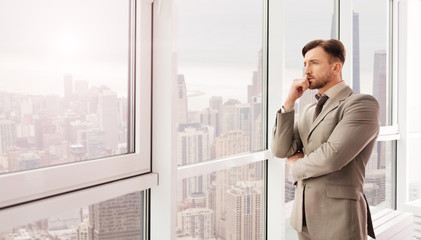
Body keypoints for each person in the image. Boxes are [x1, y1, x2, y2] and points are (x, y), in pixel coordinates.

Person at [272, 39, 379, 240]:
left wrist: (295, 166)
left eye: (314, 63)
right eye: (305, 64)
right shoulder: (308, 110)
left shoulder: (361, 104)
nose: (306, 71)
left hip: (339, 219)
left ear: (336, 67)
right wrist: (289, 103)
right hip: (302, 218)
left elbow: (332, 157)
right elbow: (281, 150)